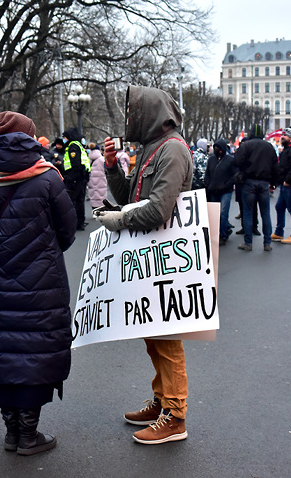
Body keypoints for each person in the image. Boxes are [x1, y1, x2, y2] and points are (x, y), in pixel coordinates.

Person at [0, 111, 76, 456]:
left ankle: (11, 432)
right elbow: (67, 232)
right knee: (37, 347)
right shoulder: (48, 178)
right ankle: (29, 434)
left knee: (5, 347)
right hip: (42, 277)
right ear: (29, 138)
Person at [98, 85, 192, 445]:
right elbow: (130, 198)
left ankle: (176, 416)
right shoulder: (154, 150)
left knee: (167, 339)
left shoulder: (172, 150)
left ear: (149, 113)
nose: (127, 121)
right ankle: (162, 401)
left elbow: (156, 210)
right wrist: (111, 168)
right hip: (151, 257)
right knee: (154, 337)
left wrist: (117, 220)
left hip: (166, 258)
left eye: (132, 113)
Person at [205, 138, 237, 244]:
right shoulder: (211, 160)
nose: (216, 150)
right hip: (214, 190)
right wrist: (208, 185)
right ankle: (218, 232)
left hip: (225, 191)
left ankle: (223, 235)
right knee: (215, 214)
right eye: (215, 148)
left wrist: (227, 185)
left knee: (223, 213)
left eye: (218, 148)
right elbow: (207, 174)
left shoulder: (230, 160)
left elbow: (234, 175)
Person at [62, 128, 91, 230]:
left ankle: (76, 223)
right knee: (79, 201)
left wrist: (71, 179)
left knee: (74, 201)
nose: (63, 139)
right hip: (81, 178)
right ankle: (80, 221)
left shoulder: (73, 147)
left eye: (64, 137)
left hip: (75, 178)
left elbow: (76, 164)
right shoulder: (78, 145)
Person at [87, 143, 107, 210]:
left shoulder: (88, 159)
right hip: (101, 180)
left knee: (93, 194)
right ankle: (101, 208)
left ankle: (94, 208)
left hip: (91, 180)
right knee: (101, 194)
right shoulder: (101, 159)